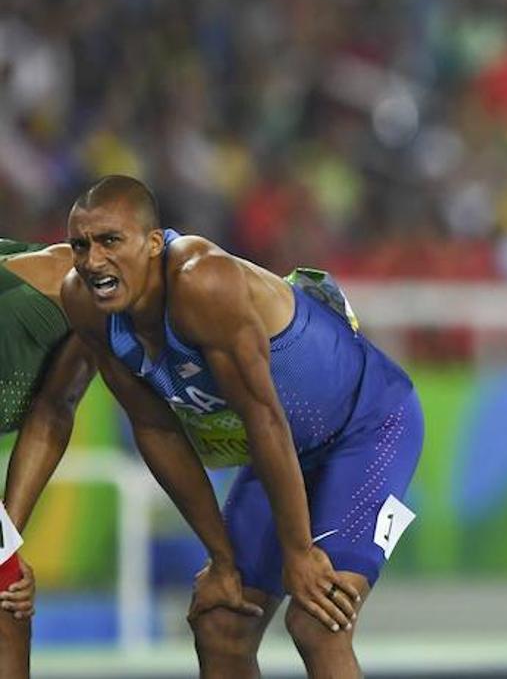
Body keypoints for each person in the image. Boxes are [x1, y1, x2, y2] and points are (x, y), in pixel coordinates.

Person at [60, 176, 424, 679]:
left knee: (317, 619)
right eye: (80, 245)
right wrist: (222, 561)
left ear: (151, 243)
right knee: (221, 621)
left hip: (368, 425)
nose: (92, 260)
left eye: (109, 241)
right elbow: (156, 431)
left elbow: (263, 417)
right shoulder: (84, 302)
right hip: (288, 446)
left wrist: (298, 552)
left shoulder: (200, 281)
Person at [0, 240, 98, 679]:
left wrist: (9, 539)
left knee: (8, 595)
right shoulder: (54, 293)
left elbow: (55, 408)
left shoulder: (104, 309)